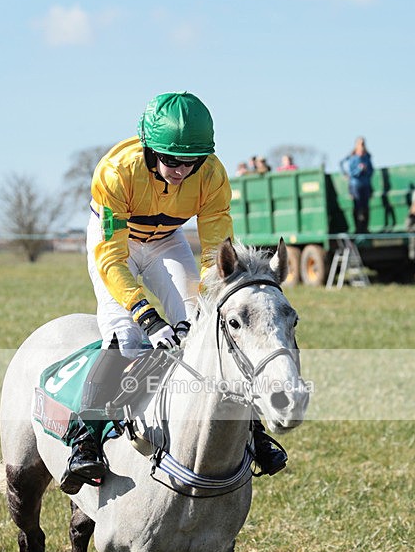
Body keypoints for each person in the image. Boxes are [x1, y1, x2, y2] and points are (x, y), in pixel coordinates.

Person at [61, 91, 287, 494]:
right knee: (127, 337)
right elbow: (112, 259)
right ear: (149, 150)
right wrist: (148, 318)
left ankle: (252, 431)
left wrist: (209, 300)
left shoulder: (213, 174)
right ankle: (85, 438)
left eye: (191, 161)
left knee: (202, 330)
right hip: (116, 244)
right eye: (170, 160)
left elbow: (217, 254)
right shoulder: (115, 171)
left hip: (167, 240)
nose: (181, 170)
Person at [340, 137, 374, 233]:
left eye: (363, 143)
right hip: (355, 185)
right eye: (360, 143)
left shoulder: (367, 157)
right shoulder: (353, 157)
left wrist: (366, 170)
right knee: (357, 207)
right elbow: (350, 172)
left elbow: (371, 170)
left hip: (366, 184)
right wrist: (359, 170)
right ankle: (357, 228)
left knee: (366, 207)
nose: (362, 145)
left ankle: (365, 228)